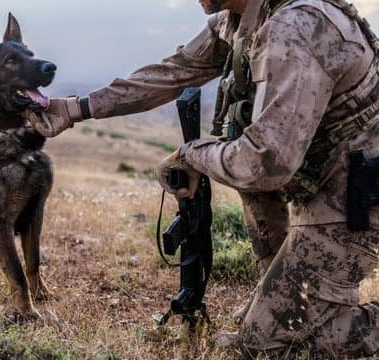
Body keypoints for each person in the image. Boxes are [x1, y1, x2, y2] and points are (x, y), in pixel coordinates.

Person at [27, 0, 379, 356]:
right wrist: (75, 109)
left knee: (266, 344)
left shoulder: (297, 25)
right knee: (268, 325)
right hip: (322, 186)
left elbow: (265, 163)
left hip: (357, 200)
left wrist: (192, 154)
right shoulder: (239, 21)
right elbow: (169, 75)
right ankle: (289, 299)